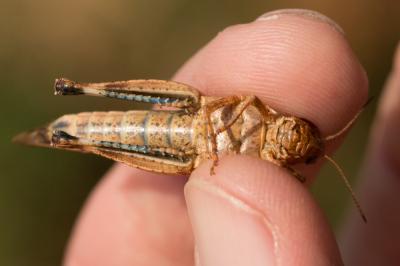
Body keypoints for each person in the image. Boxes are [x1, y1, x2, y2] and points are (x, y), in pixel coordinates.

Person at [63, 9, 400, 265]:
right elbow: (249, 101)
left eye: (303, 150)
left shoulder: (276, 167)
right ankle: (81, 91)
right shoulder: (262, 110)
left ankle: (78, 140)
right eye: (302, 130)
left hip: (184, 156)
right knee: (175, 100)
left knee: (101, 140)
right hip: (192, 113)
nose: (296, 139)